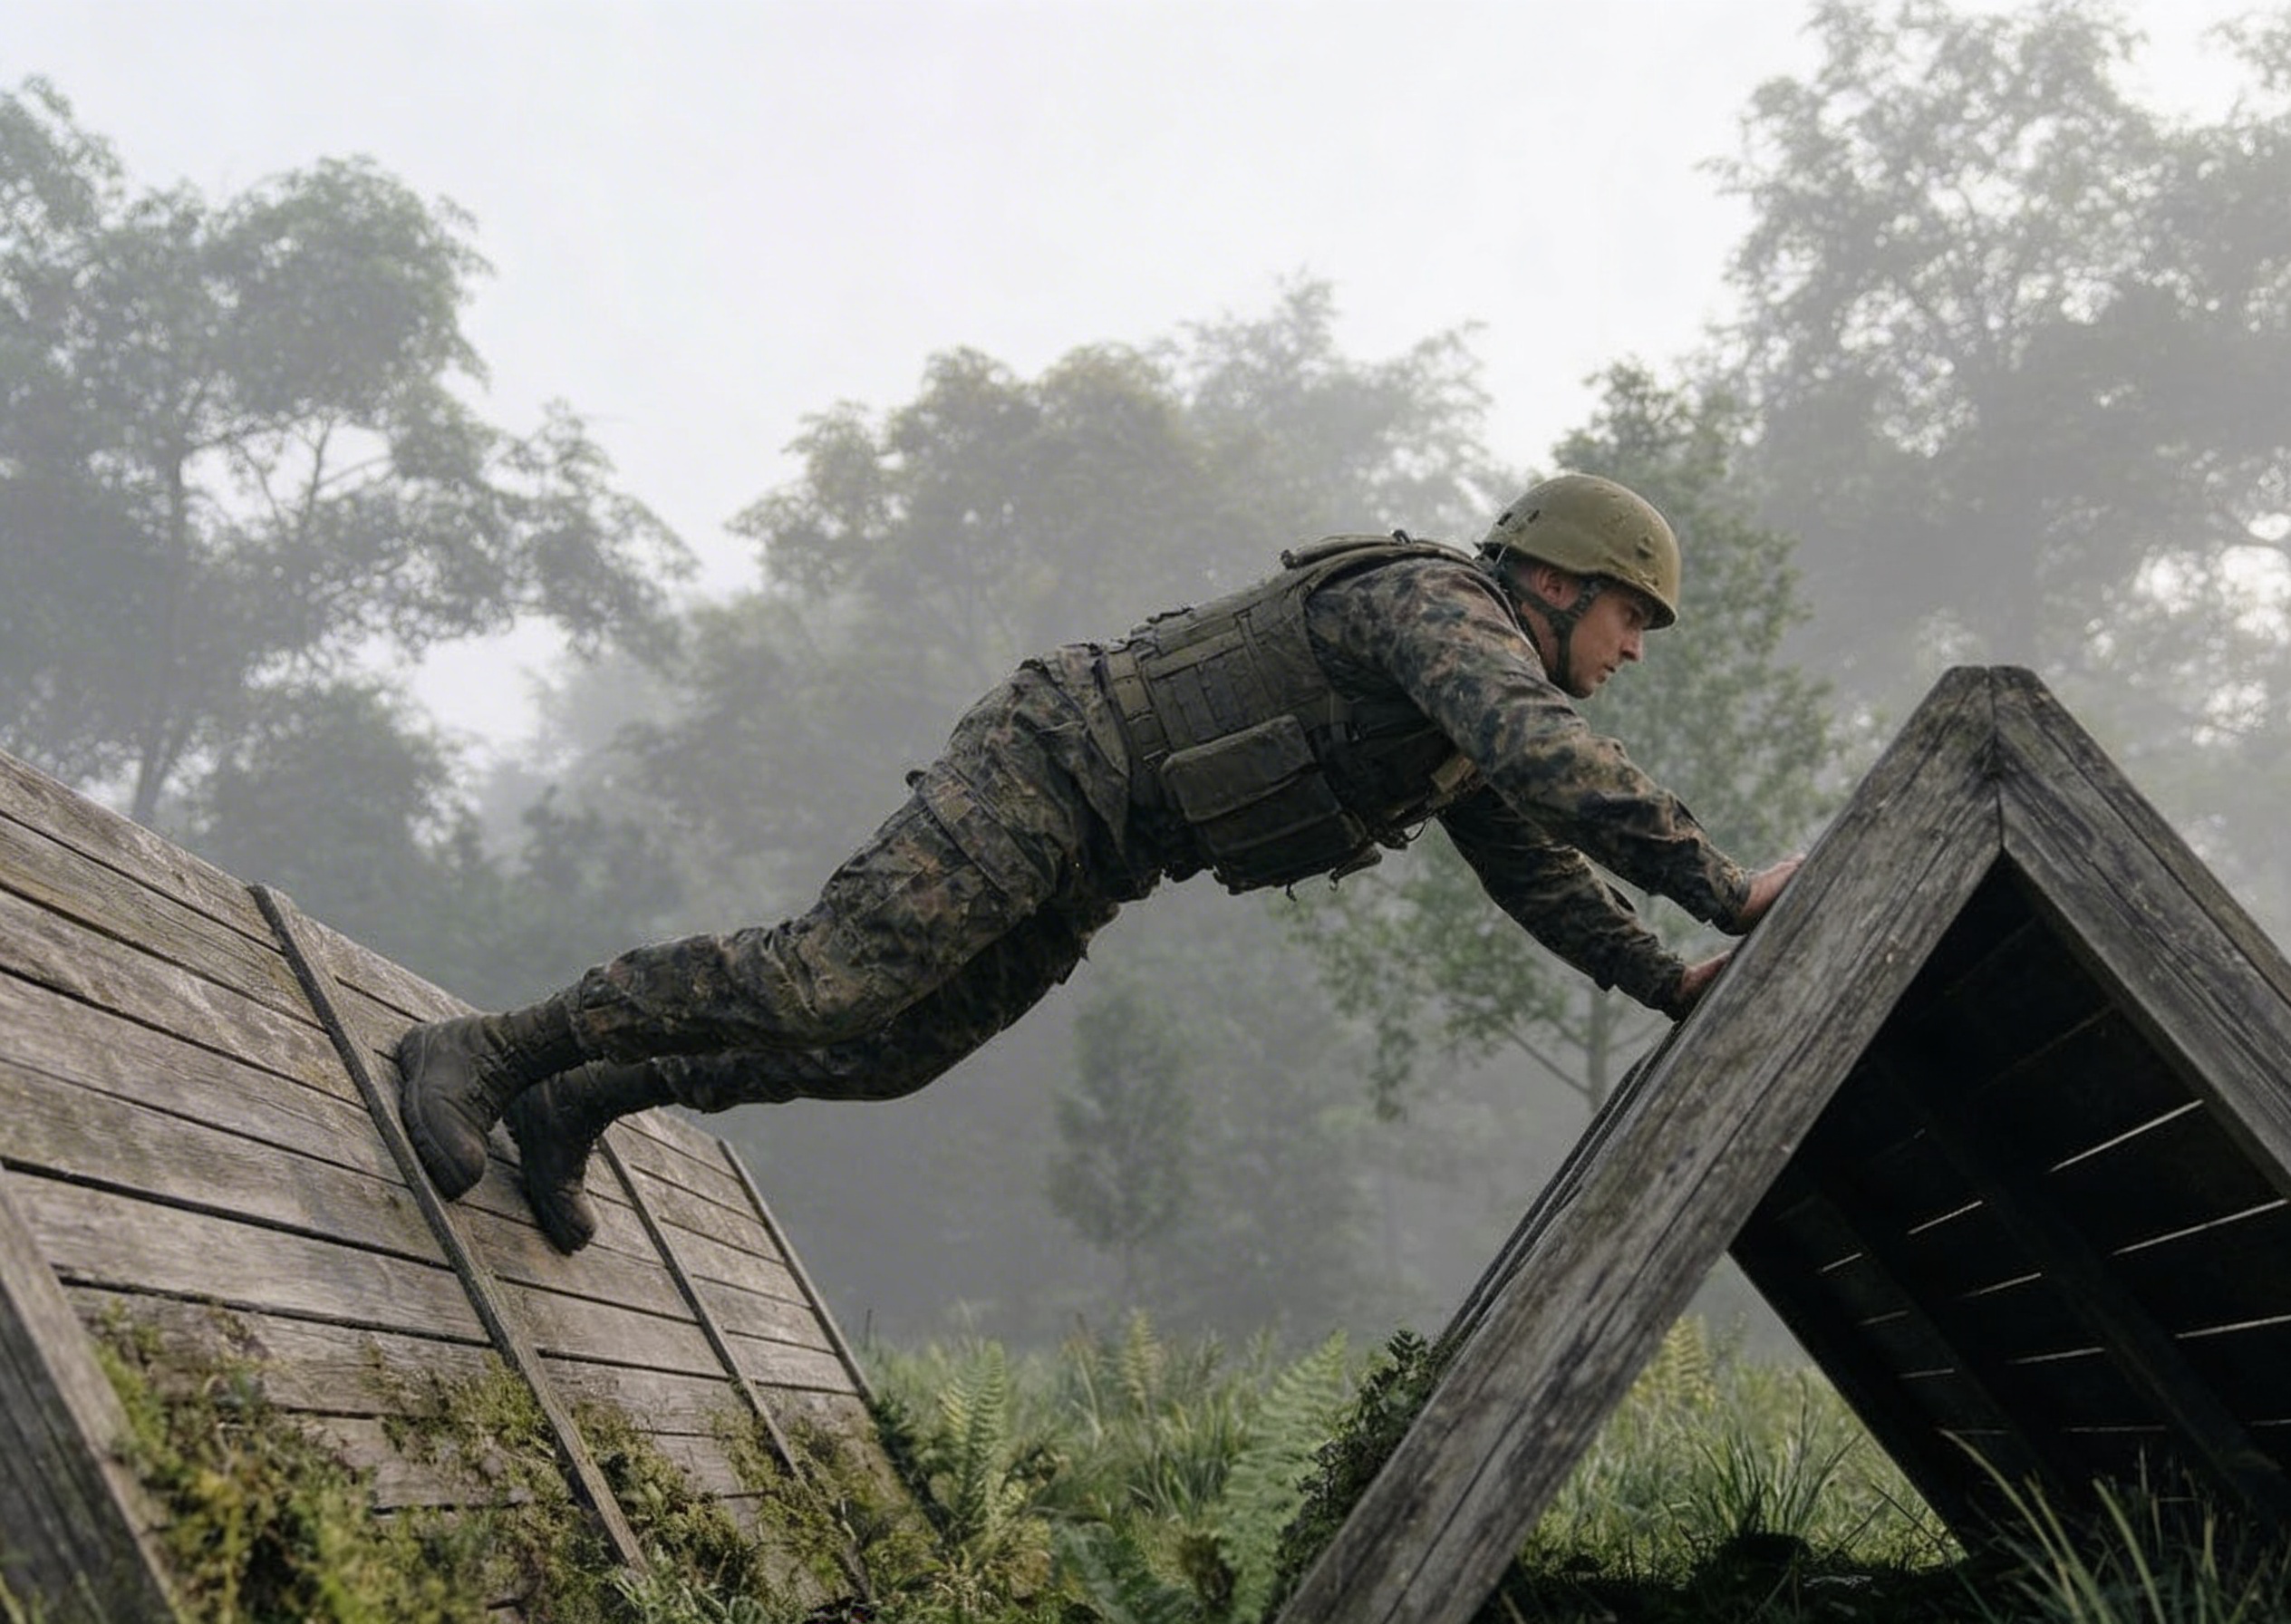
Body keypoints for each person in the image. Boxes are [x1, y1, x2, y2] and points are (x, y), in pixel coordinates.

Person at [395, 473, 1801, 1252]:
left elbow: (1538, 863)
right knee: (828, 982)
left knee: (896, 1052)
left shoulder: (1452, 732)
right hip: (1059, 755)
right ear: (1555, 578)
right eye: (1630, 619)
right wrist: (1729, 888)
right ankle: (486, 1050)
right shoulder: (1437, 607)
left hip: (1104, 847)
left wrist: (1667, 974)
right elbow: (1549, 754)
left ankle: (584, 1096)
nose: (1629, 654)